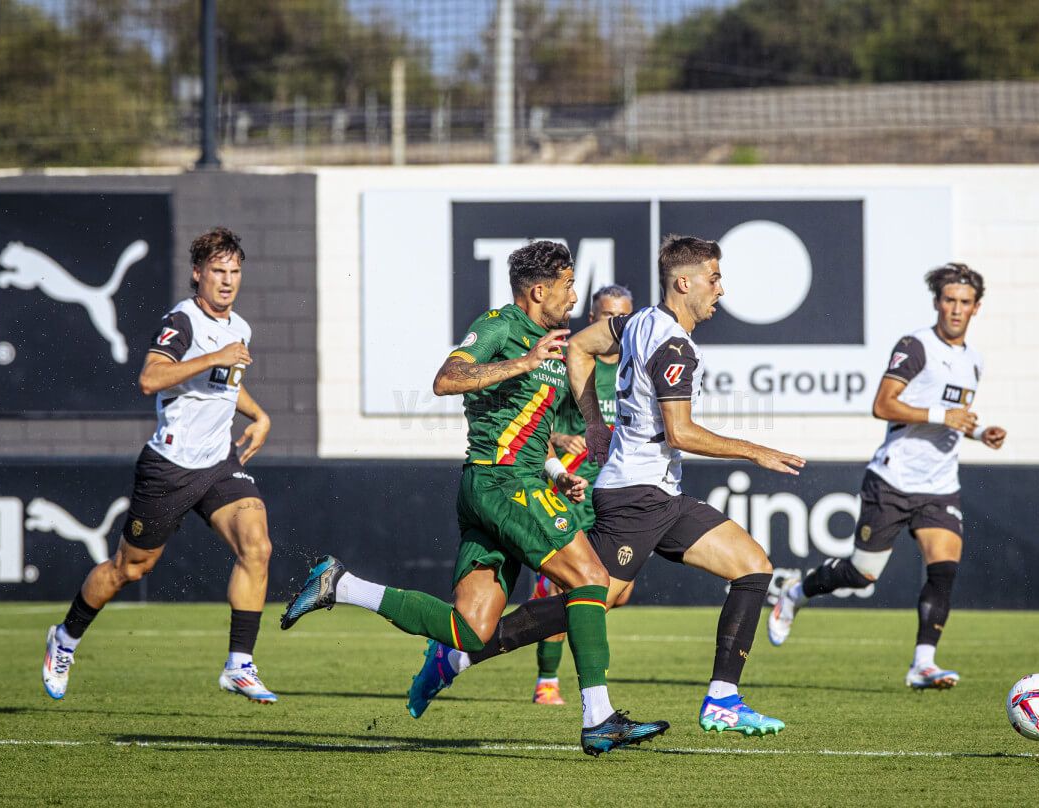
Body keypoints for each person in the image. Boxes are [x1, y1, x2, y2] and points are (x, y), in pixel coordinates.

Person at [279, 241, 668, 756]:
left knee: (471, 630)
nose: (575, 296)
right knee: (593, 579)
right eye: (568, 286)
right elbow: (447, 379)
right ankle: (598, 717)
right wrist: (522, 362)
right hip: (501, 483)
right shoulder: (502, 326)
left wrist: (554, 472)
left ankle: (342, 586)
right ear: (538, 290)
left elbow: (525, 428)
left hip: (512, 482)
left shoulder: (552, 341)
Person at [408, 235, 806, 737]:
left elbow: (580, 344)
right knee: (587, 596)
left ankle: (723, 699)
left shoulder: (638, 322)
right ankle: (461, 657)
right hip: (635, 498)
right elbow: (680, 432)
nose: (720, 290)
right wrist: (756, 450)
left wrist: (595, 424)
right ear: (685, 283)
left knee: (753, 566)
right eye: (714, 278)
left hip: (659, 493)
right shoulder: (673, 344)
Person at [41, 227, 278, 704]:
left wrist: (258, 414)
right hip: (169, 467)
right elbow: (150, 378)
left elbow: (225, 383)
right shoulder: (183, 321)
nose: (227, 281)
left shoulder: (240, 328)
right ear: (197, 274)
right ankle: (64, 639)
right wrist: (216, 355)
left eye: (234, 272)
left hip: (217, 462)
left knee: (257, 545)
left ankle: (239, 664)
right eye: (218, 271)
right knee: (129, 569)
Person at [766, 263, 1006, 691]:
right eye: (949, 300)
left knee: (944, 569)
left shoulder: (974, 361)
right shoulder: (916, 346)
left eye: (964, 303)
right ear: (937, 303)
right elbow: (883, 405)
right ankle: (795, 592)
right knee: (862, 574)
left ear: (977, 308)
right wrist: (942, 416)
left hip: (939, 485)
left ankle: (923, 664)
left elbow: (953, 414)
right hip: (893, 480)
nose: (955, 309)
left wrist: (978, 431)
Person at [532, 285, 634, 706]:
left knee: (619, 592)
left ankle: (546, 618)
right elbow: (537, 426)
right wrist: (565, 437)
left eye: (620, 317)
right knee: (570, 587)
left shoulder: (634, 365)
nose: (611, 324)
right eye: (604, 315)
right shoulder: (570, 362)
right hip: (571, 489)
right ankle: (547, 679)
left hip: (612, 490)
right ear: (592, 316)